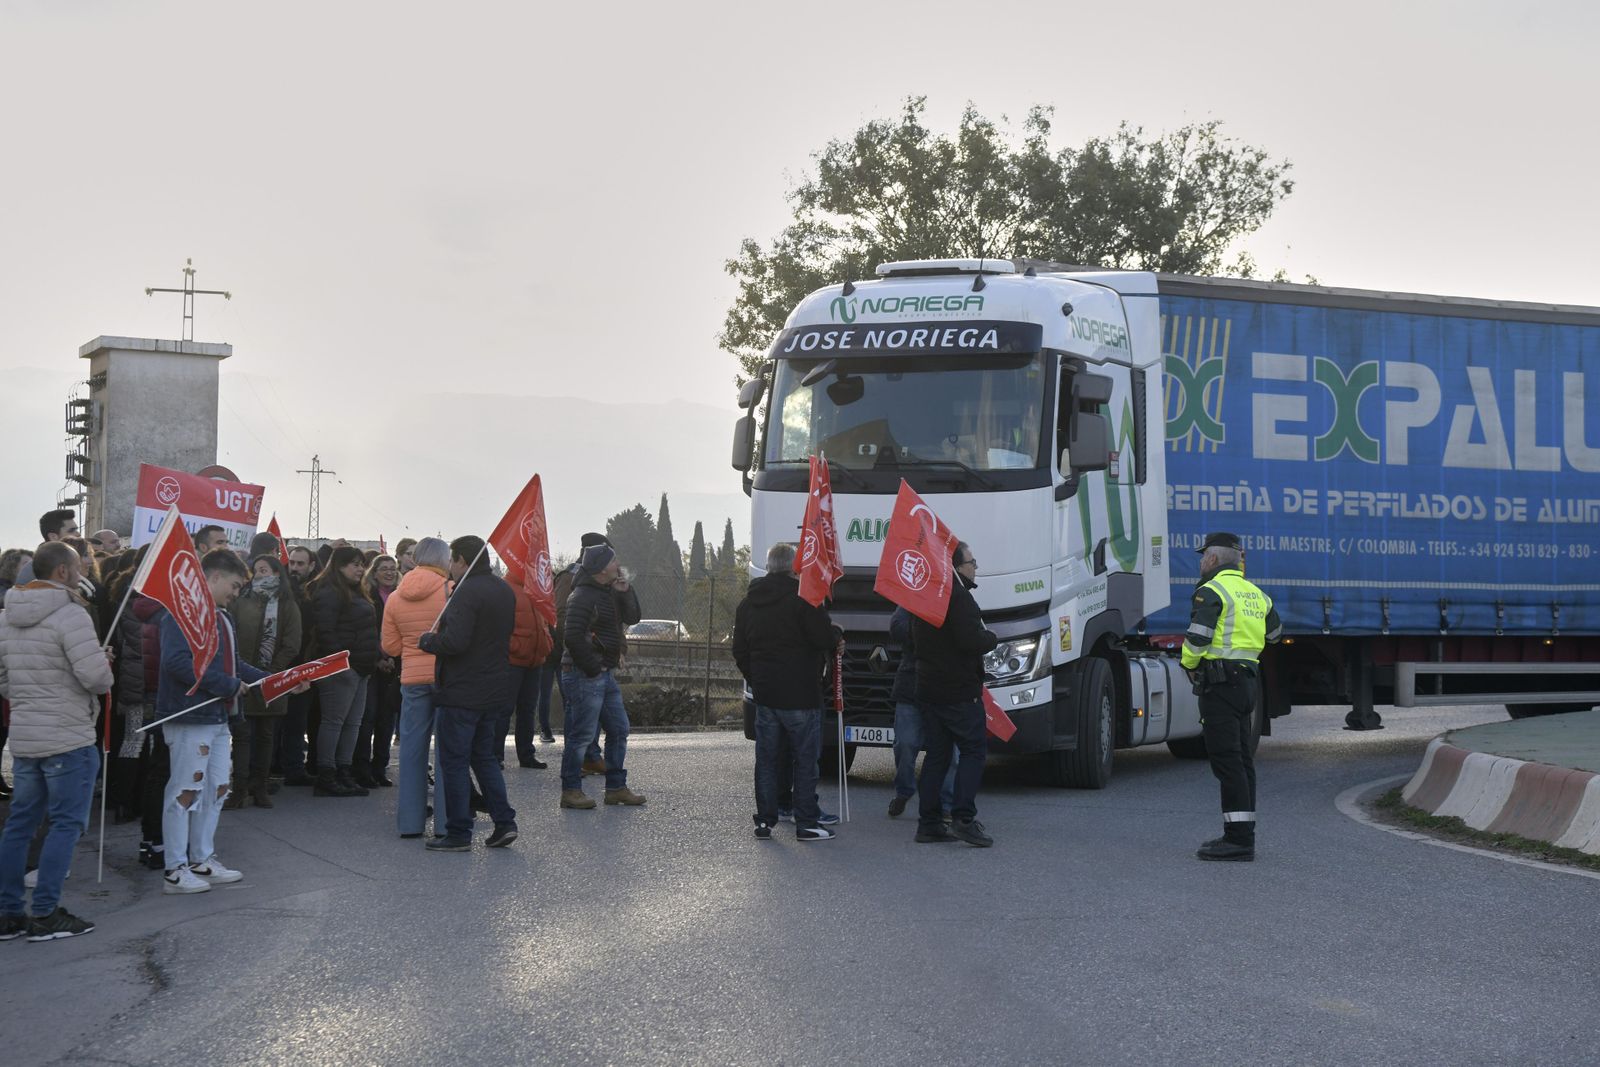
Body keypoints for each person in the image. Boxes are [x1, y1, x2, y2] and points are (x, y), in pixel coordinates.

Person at [0, 541, 114, 941]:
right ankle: (46, 912)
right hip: (68, 735)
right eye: (79, 566)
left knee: (20, 824)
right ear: (63, 572)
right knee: (65, 824)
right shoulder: (71, 615)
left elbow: (4, 680)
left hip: (27, 736)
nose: (84, 572)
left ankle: (7, 912)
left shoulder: (6, 616)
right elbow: (97, 680)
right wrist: (103, 662)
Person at [155, 549, 276, 894]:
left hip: (219, 716)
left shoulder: (222, 617)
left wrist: (273, 681)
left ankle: (201, 859)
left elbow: (234, 665)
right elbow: (176, 663)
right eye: (235, 586)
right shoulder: (179, 613)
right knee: (185, 790)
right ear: (215, 577)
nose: (236, 594)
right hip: (189, 716)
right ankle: (175, 870)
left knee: (218, 788)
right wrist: (227, 686)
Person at [1181, 532, 1282, 862]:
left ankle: (1238, 841)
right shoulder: (1257, 594)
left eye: (1202, 556)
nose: (1200, 562)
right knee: (1241, 761)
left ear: (1212, 559)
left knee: (1227, 762)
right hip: (1248, 683)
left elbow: (1198, 639)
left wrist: (1190, 666)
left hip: (1221, 685)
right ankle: (1243, 834)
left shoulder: (1210, 591)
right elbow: (1276, 635)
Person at [733, 543, 841, 842]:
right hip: (802, 695)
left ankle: (766, 821)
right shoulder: (804, 599)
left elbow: (739, 649)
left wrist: (756, 679)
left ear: (768, 567)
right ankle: (806, 821)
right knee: (805, 760)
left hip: (766, 696)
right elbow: (822, 638)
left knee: (767, 760)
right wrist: (835, 633)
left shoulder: (748, 603)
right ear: (795, 568)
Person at [417, 536, 518, 851]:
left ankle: (459, 833)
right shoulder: (503, 590)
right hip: (494, 689)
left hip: (462, 691)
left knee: (455, 762)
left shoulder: (464, 593)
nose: (449, 566)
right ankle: (504, 823)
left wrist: (428, 641)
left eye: (451, 560)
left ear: (461, 560)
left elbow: (455, 642)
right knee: (484, 758)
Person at [913, 541, 998, 848]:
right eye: (972, 562)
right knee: (974, 751)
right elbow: (968, 640)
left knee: (937, 755)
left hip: (929, 689)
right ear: (958, 567)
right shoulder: (957, 597)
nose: (975, 567)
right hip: (959, 691)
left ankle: (929, 822)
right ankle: (963, 818)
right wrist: (991, 637)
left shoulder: (925, 595)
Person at [558, 543, 646, 809]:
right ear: (600, 568)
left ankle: (616, 788)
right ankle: (571, 790)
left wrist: (626, 591)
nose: (617, 564)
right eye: (612, 561)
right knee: (581, 736)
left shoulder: (608, 591)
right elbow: (572, 636)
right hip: (585, 674)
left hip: (604, 676)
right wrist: (593, 668)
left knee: (619, 729)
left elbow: (633, 616)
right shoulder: (583, 595)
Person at [381, 537, 452, 839]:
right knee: (448, 751)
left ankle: (409, 823)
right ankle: (447, 824)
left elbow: (390, 646)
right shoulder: (450, 591)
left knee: (411, 750)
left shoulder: (396, 597)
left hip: (411, 679)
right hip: (445, 677)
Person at [226, 555, 303, 809]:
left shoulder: (287, 604)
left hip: (273, 677)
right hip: (244, 676)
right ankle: (239, 788)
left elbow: (292, 642)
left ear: (277, 573)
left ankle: (260, 786)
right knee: (243, 734)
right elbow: (231, 636)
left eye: (264, 570)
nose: (259, 574)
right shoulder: (241, 600)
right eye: (256, 570)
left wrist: (274, 671)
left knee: (266, 734)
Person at [307, 545, 379, 797]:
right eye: (355, 564)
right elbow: (326, 632)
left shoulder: (357, 592)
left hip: (361, 668)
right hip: (341, 669)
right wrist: (342, 663)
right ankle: (326, 773)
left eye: (362, 564)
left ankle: (343, 771)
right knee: (334, 722)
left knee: (353, 724)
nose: (361, 569)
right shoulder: (329, 592)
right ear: (339, 566)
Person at [887, 605, 956, 821]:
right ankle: (904, 790)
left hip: (944, 689)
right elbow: (896, 627)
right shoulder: (913, 599)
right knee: (905, 744)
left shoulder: (956, 600)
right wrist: (927, 631)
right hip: (911, 687)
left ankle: (945, 804)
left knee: (950, 754)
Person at [352, 555, 401, 787]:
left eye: (393, 569)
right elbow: (365, 632)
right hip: (370, 665)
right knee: (368, 717)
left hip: (395, 665)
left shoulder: (402, 595)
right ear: (375, 571)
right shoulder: (367, 595)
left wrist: (393, 658)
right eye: (384, 569)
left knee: (387, 719)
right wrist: (378, 658)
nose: (389, 572)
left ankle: (380, 767)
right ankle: (362, 769)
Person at [278, 545, 321, 785]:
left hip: (303, 664)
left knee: (296, 721)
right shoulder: (282, 591)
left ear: (311, 566)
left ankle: (293, 768)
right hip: (281, 664)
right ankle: (276, 767)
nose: (294, 568)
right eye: (292, 563)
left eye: (300, 564)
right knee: (274, 722)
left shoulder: (314, 593)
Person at [505, 577, 550, 770]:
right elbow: (500, 625)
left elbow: (545, 620)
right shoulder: (506, 589)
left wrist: (547, 642)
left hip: (535, 659)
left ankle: (527, 754)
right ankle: (495, 755)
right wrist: (514, 647)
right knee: (503, 710)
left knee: (528, 709)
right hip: (513, 660)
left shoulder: (537, 589)